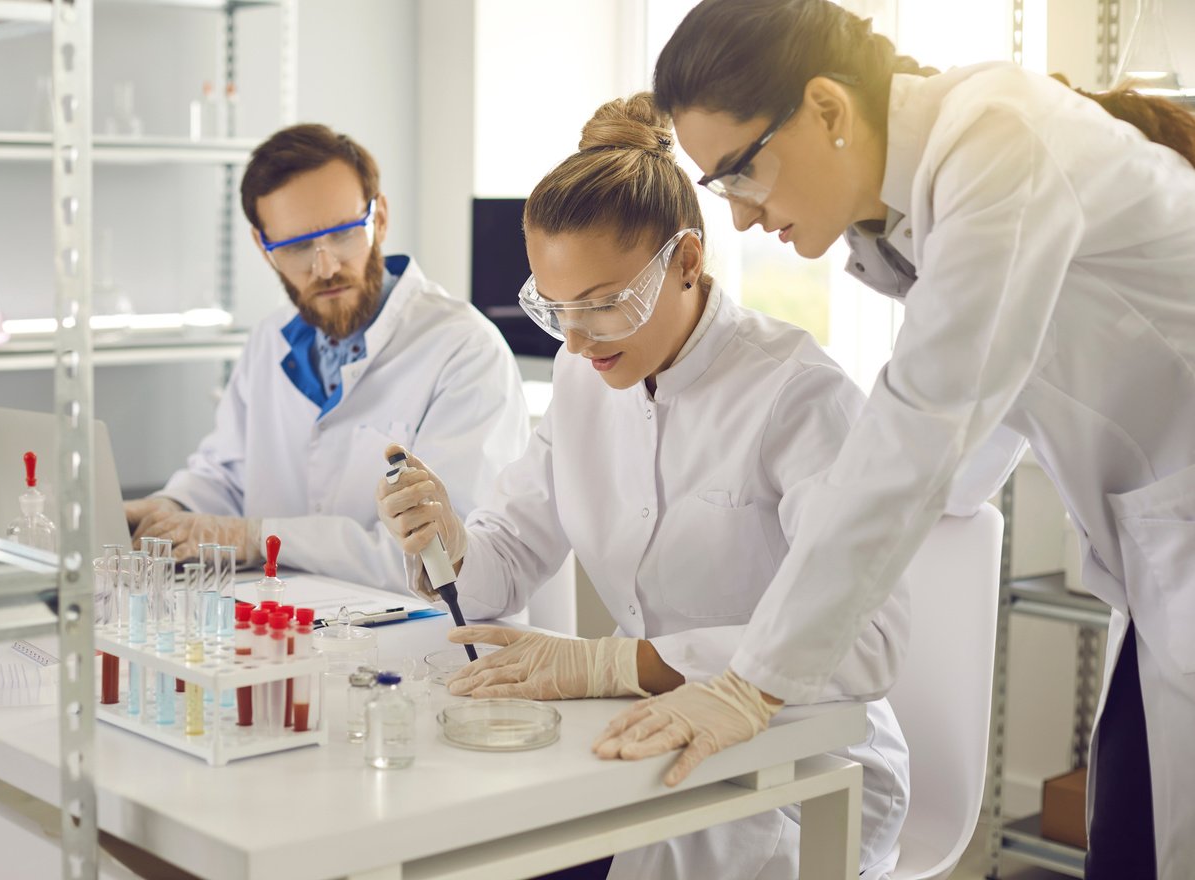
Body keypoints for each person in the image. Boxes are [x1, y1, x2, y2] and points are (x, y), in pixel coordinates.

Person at [595, 1, 1195, 876]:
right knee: (1137, 844)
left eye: (739, 174)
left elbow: (927, 424)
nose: (742, 219)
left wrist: (748, 683)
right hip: (1161, 567)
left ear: (829, 110)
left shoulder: (999, 140)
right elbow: (971, 423)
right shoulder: (916, 211)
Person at [376, 94, 908, 880]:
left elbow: (865, 643)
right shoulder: (581, 372)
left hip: (803, 769)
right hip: (641, 746)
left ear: (687, 262)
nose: (578, 339)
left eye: (601, 305)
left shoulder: (797, 396)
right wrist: (447, 539)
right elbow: (508, 557)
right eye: (553, 309)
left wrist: (616, 664)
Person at [125, 124, 529, 588]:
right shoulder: (269, 340)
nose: (326, 267)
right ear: (263, 248)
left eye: (342, 234)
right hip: (292, 632)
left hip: (433, 643)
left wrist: (260, 537)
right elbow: (226, 475)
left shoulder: (464, 349)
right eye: (296, 247)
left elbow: (449, 554)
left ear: (378, 219)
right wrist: (168, 509)